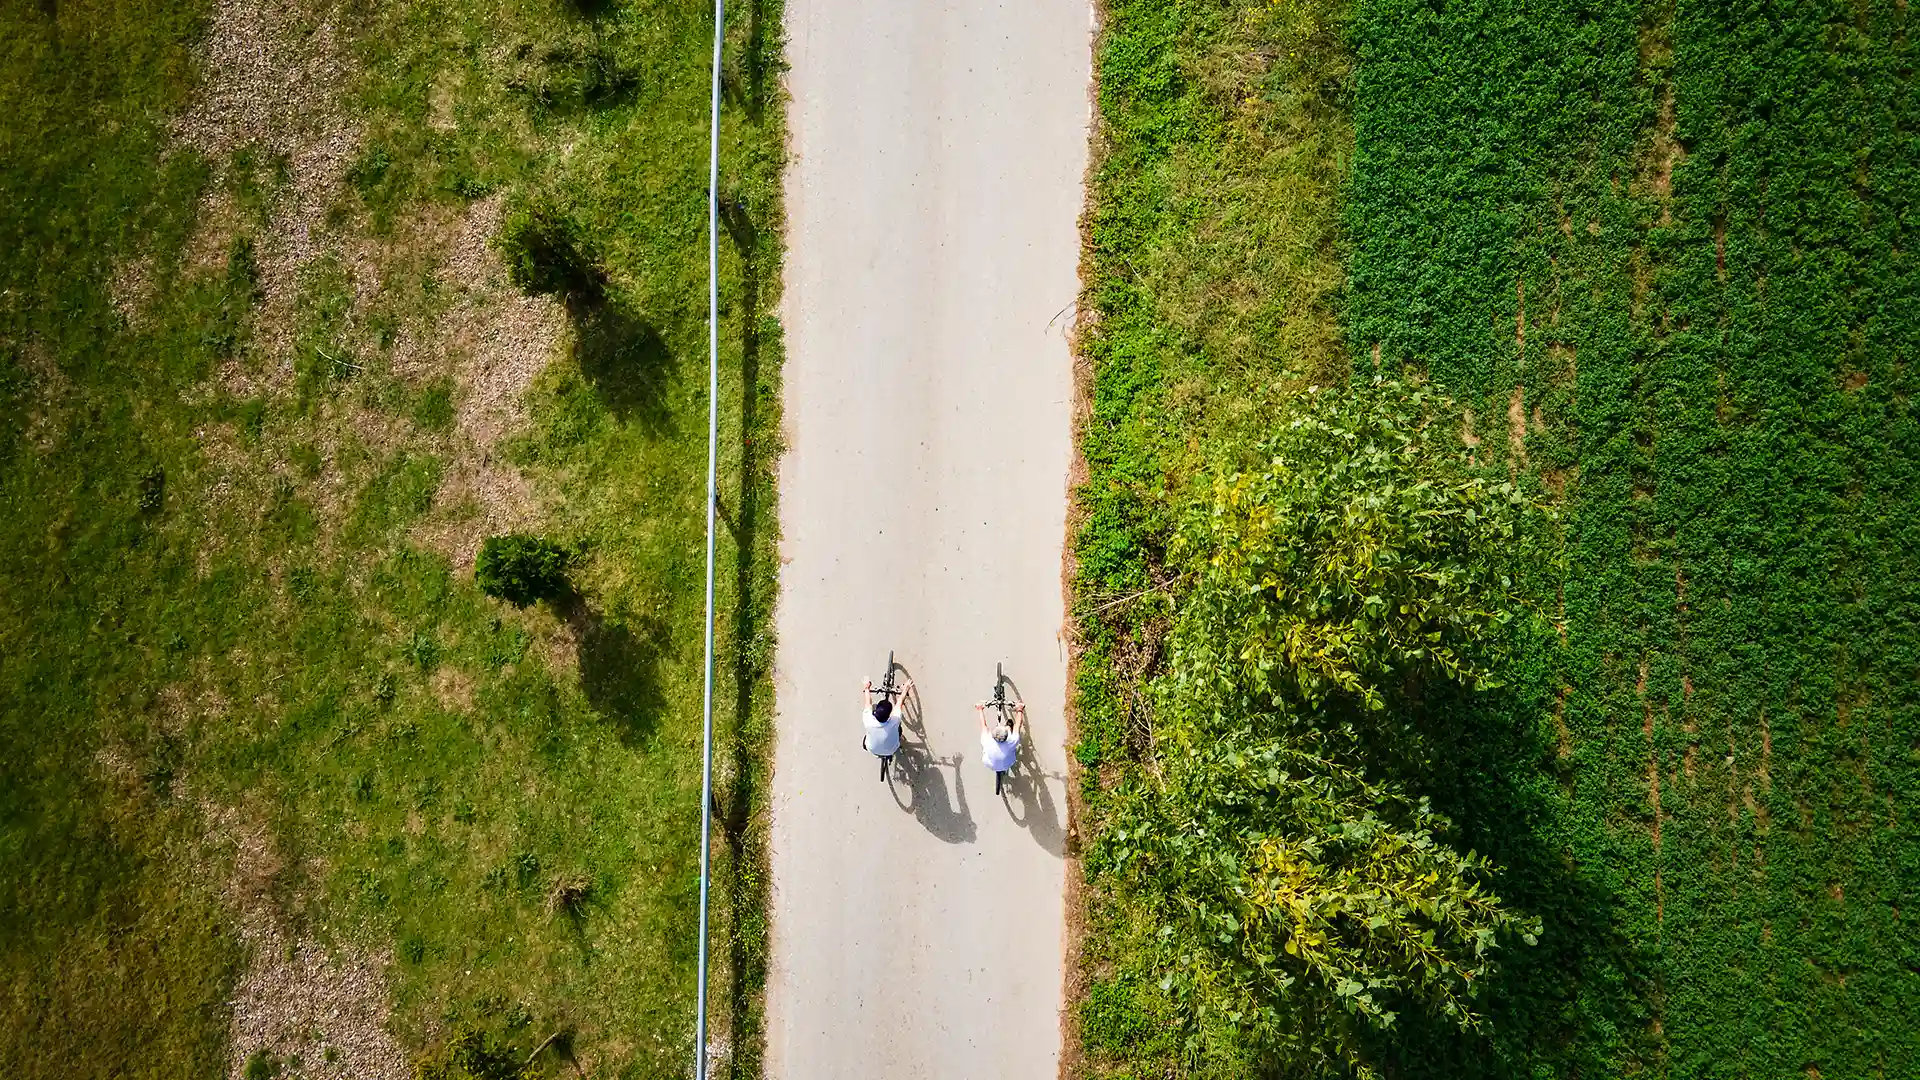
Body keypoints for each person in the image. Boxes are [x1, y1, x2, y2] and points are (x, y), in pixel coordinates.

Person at [976, 698, 1026, 783]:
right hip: (1007, 764)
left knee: (985, 749)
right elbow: (1018, 725)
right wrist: (1020, 710)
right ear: (1006, 736)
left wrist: (980, 709)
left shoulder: (987, 740)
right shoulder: (1012, 741)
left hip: (989, 764)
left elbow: (983, 725)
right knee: (1014, 749)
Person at [861, 676, 911, 760]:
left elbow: (868, 702)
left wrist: (867, 687)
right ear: (889, 715)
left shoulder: (868, 720)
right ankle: (900, 738)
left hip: (872, 750)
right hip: (892, 750)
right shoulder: (895, 720)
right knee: (899, 728)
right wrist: (905, 689)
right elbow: (899, 702)